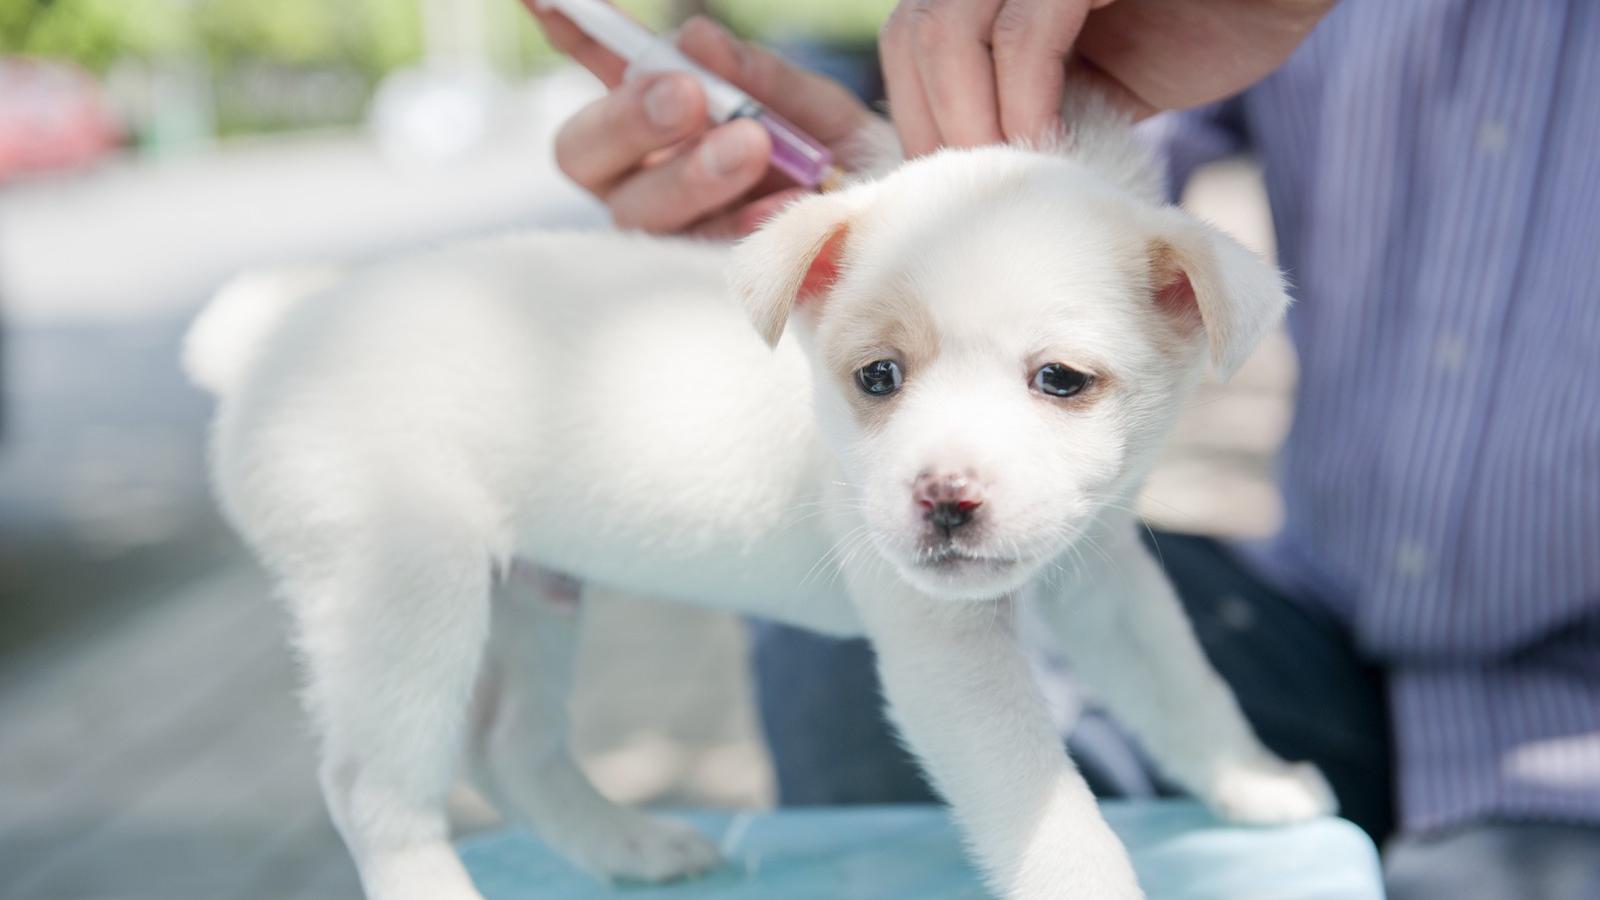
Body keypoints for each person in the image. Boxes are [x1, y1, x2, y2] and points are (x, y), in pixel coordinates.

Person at [527, 2, 1600, 897]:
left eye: (1060, 384)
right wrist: (899, 177)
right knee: (873, 549)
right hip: (1311, 612)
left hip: (1569, 722)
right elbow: (1072, 196)